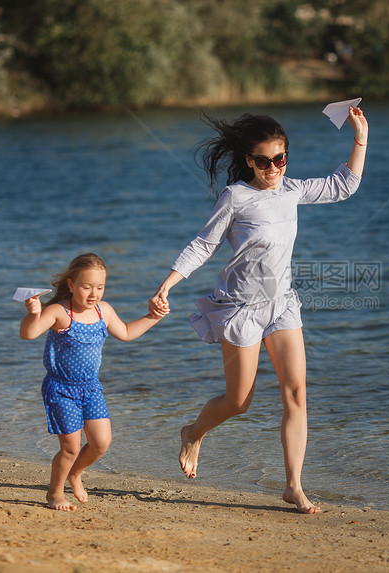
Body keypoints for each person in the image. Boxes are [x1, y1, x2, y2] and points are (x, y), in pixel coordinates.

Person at [151, 107, 368, 514]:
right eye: (264, 161)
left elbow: (344, 185)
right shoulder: (235, 196)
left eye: (280, 159)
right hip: (241, 309)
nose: (273, 168)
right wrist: (168, 283)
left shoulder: (292, 190)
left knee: (297, 393)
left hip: (281, 303)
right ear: (250, 160)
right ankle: (193, 432)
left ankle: (293, 486)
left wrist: (361, 136)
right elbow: (203, 244)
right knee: (239, 401)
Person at [21, 253, 169, 511]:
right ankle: (55, 493)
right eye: (86, 287)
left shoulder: (104, 311)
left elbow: (125, 333)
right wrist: (34, 313)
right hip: (61, 389)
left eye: (99, 287)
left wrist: (154, 316)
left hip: (91, 389)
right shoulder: (59, 312)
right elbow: (29, 333)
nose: (93, 294)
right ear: (71, 284)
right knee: (71, 447)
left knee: (101, 443)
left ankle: (75, 474)